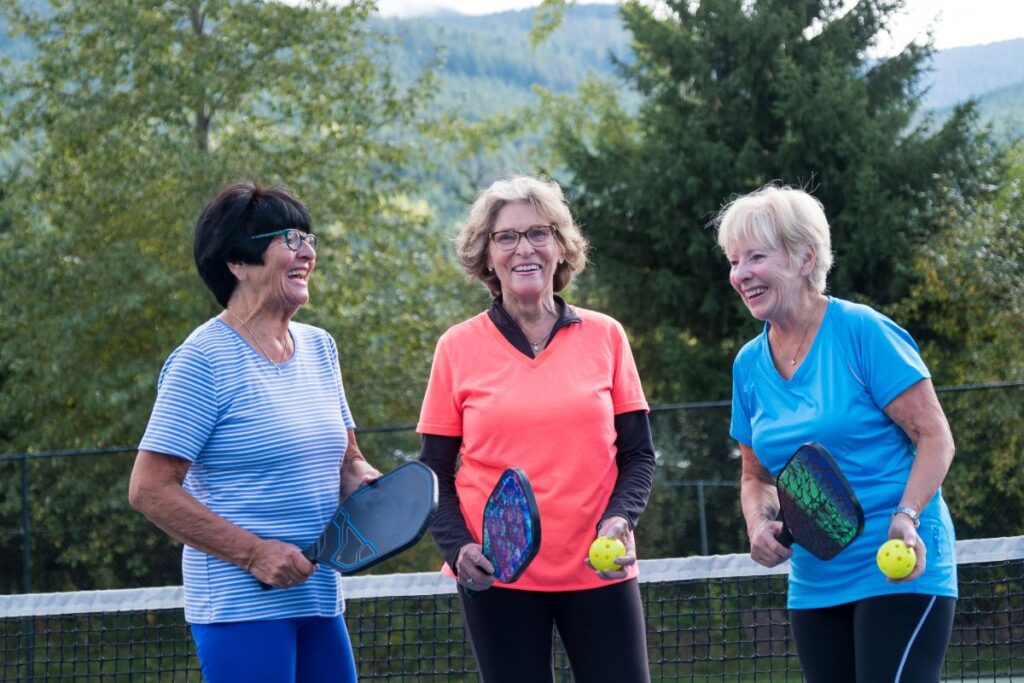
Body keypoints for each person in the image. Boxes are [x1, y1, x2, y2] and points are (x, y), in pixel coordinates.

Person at [128, 180, 380, 683]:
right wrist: (255, 553)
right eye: (289, 239)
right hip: (241, 607)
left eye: (309, 239)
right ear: (237, 263)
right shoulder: (202, 361)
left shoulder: (320, 347)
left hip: (319, 595)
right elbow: (148, 489)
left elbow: (347, 459)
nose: (307, 252)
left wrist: (377, 490)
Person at [417, 175, 656, 683]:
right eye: (507, 237)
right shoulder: (456, 348)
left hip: (599, 571)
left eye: (539, 233)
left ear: (560, 248)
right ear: (487, 256)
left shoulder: (607, 337)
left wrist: (620, 518)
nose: (524, 248)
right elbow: (433, 471)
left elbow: (638, 456)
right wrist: (459, 548)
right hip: (498, 578)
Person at [714, 184, 958, 683]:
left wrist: (907, 518)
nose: (741, 275)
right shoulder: (748, 366)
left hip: (901, 565)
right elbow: (755, 476)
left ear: (806, 258)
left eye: (756, 257)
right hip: (816, 579)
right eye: (735, 261)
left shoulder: (863, 331)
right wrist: (758, 527)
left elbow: (935, 437)